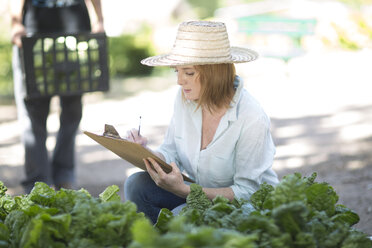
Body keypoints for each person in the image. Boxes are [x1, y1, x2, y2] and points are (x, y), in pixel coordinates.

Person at [124, 20, 279, 224]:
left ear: (215, 73)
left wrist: (184, 190)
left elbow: (246, 193)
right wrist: (145, 153)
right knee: (136, 184)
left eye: (188, 72)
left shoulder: (251, 117)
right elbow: (171, 153)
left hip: (243, 207)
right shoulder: (185, 99)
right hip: (198, 194)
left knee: (182, 216)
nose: (180, 81)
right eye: (176, 71)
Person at [10, 0, 104, 193]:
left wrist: (99, 19)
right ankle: (38, 182)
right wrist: (16, 22)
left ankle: (64, 176)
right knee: (32, 112)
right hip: (34, 29)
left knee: (72, 110)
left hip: (74, 26)